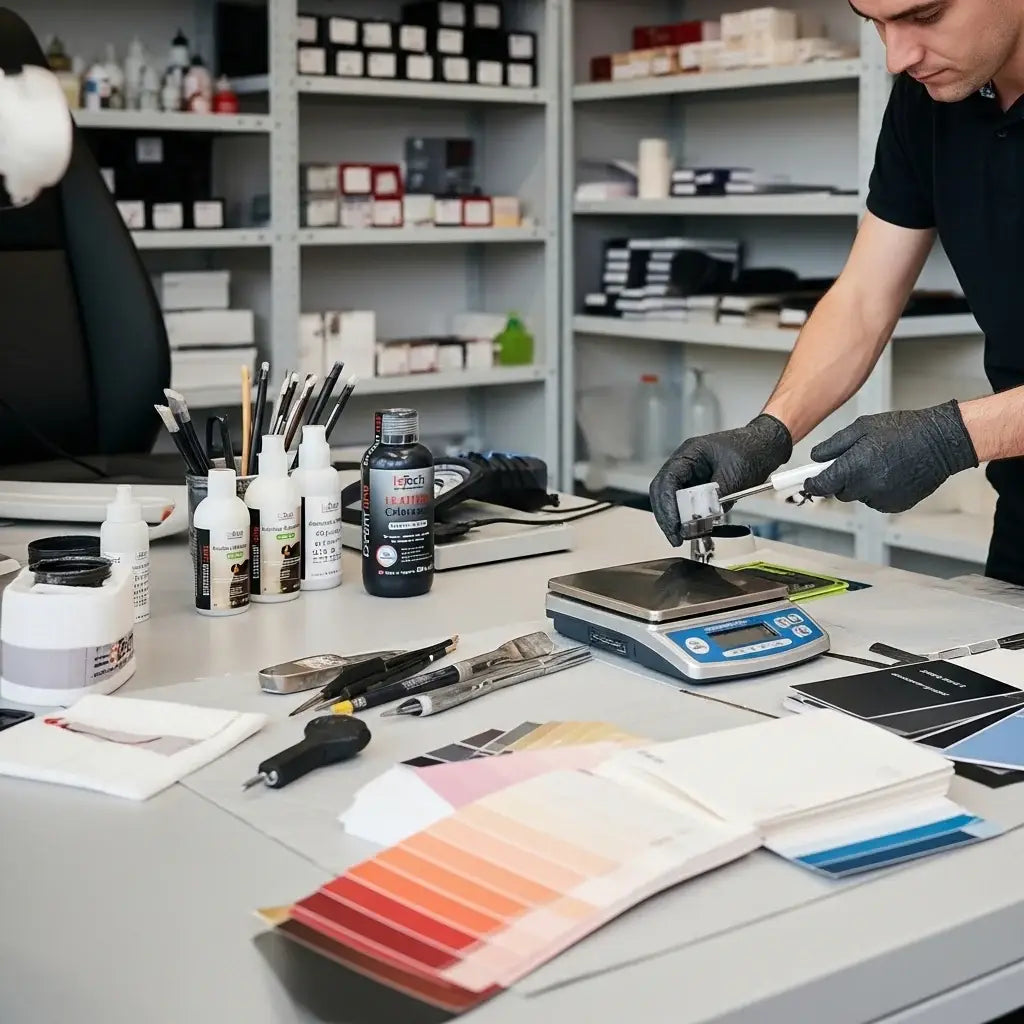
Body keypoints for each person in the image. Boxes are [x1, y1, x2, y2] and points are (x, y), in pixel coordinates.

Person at [650, 0, 1024, 585]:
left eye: (924, 17)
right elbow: (862, 300)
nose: (898, 57)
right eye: (874, 22)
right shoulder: (928, 101)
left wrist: (958, 436)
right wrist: (771, 430)